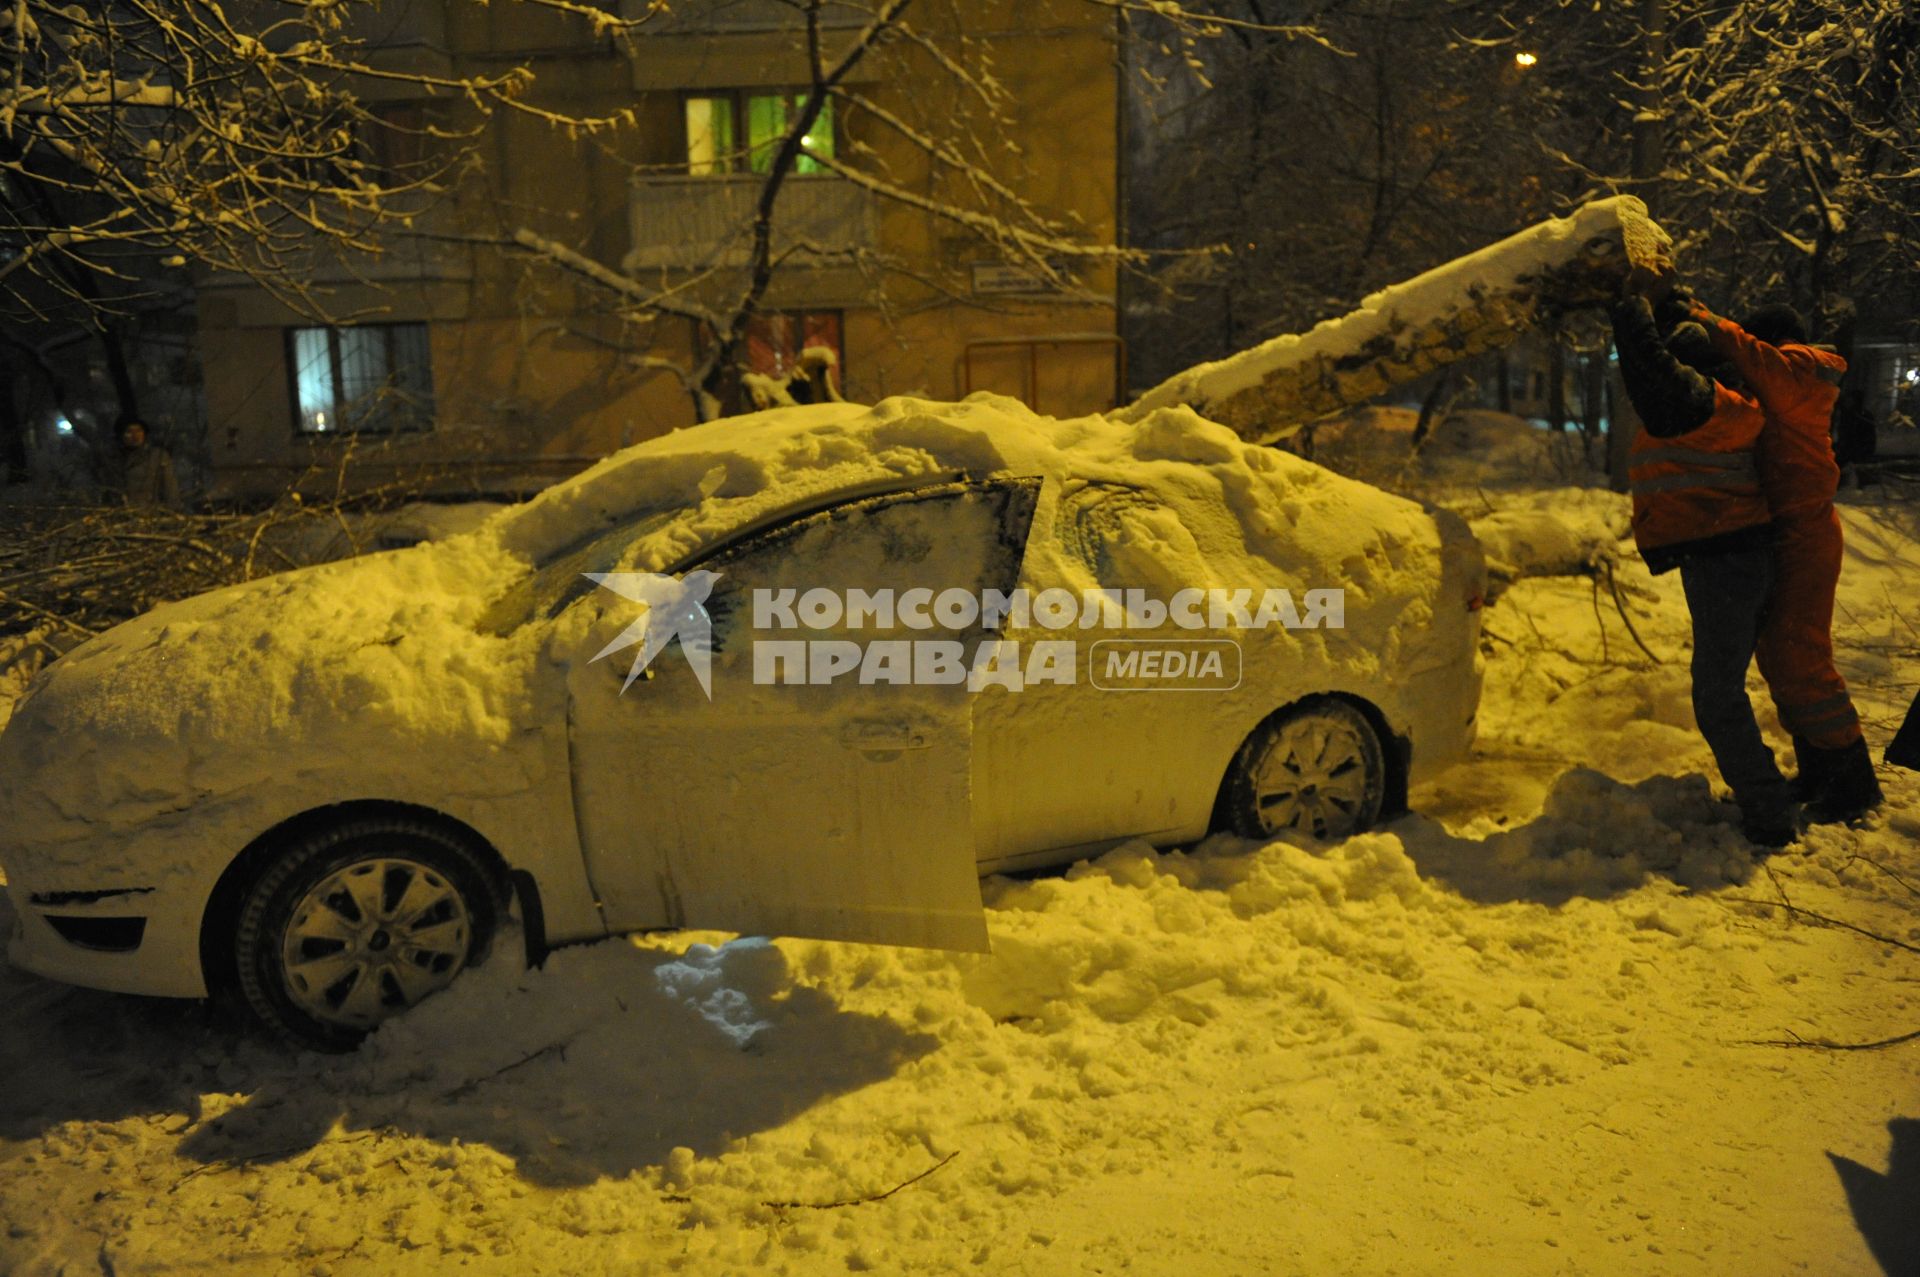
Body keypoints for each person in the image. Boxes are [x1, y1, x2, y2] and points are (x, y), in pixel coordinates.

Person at [1670, 296, 1884, 823]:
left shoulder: (1803, 371)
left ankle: (1852, 776)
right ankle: (1820, 768)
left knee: (1801, 655)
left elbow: (1759, 361)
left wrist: (1705, 318)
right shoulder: (1792, 380)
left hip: (1805, 532)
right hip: (1789, 531)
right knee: (1781, 654)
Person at [1609, 289, 1795, 846]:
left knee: (1715, 695)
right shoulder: (1716, 403)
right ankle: (1768, 794)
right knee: (1722, 687)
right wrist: (1667, 301)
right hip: (1725, 556)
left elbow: (1648, 368)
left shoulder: (1706, 404)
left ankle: (1768, 814)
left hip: (1727, 560)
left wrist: (1629, 304)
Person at [115, 416, 180, 510]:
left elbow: (170, 488)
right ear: (121, 435)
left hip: (151, 514)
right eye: (129, 432)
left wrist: (174, 511)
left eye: (139, 431)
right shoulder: (113, 459)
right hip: (120, 514)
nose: (135, 436)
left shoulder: (157, 456)